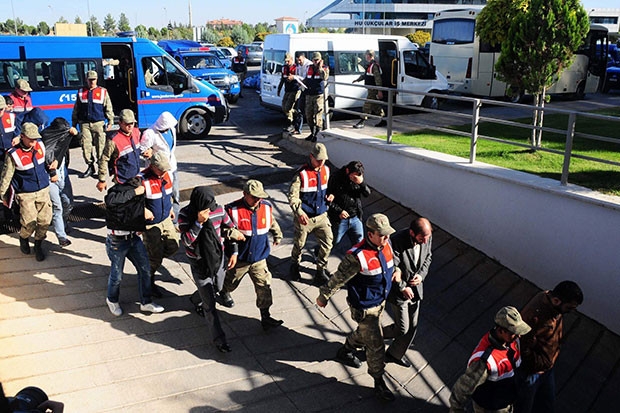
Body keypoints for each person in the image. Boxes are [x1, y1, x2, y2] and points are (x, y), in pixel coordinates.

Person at [316, 213, 402, 402]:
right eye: (382, 235)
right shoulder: (357, 256)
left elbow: (393, 263)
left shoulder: (386, 245)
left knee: (365, 333)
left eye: (387, 234)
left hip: (380, 303)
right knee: (376, 344)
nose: (386, 238)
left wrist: (397, 271)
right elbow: (339, 278)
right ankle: (378, 382)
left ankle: (346, 350)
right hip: (364, 307)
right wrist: (324, 295)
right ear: (370, 234)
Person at [179, 186, 244, 353]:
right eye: (207, 205)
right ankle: (220, 340)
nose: (211, 207)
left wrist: (234, 252)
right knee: (210, 304)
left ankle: (196, 298)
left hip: (218, 258)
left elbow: (231, 230)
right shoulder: (186, 214)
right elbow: (186, 241)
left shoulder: (219, 210)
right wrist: (199, 223)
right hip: (198, 262)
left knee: (218, 287)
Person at [218, 179, 285, 331]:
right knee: (230, 282)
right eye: (254, 197)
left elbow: (272, 222)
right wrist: (231, 232)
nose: (257, 200)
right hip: (239, 259)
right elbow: (219, 229)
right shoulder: (231, 209)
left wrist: (277, 234)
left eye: (260, 197)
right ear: (245, 194)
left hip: (259, 258)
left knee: (264, 287)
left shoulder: (266, 207)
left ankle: (265, 317)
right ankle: (224, 293)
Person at [514, 281, 584, 413]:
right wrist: (535, 364)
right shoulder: (535, 316)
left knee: (546, 406)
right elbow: (522, 344)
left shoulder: (552, 303)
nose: (571, 312)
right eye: (569, 308)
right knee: (523, 408)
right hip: (531, 373)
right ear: (557, 301)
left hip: (546, 368)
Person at [449, 306, 532, 413]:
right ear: (501, 330)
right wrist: (456, 410)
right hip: (491, 407)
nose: (519, 336)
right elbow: (463, 388)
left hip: (505, 399)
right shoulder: (485, 361)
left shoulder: (511, 340)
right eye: (514, 332)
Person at [104, 175, 164, 316]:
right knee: (117, 275)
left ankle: (146, 302)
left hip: (134, 239)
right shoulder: (115, 193)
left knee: (145, 269)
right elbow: (111, 201)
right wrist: (134, 193)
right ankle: (112, 299)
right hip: (117, 241)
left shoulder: (138, 193)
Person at [0, 123, 55, 261]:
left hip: (43, 190)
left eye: (35, 139)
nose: (34, 142)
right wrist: (2, 194)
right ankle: (24, 238)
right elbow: (6, 176)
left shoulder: (40, 146)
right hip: (26, 194)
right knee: (29, 222)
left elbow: (49, 160)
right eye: (31, 139)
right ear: (22, 137)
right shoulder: (13, 154)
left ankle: (38, 244)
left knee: (45, 221)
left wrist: (54, 168)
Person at [383, 217, 433, 368]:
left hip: (416, 290)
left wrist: (421, 276)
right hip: (399, 292)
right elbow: (392, 268)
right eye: (421, 238)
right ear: (412, 233)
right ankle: (370, 336)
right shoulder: (396, 241)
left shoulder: (427, 236)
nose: (425, 241)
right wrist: (403, 287)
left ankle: (395, 354)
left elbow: (428, 257)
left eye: (427, 238)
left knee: (412, 327)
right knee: (402, 328)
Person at [288, 143, 334, 285]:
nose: (321, 162)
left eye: (323, 160)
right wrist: (299, 212)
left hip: (321, 216)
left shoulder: (326, 170)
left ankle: (321, 270)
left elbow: (328, 189)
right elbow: (293, 197)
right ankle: (294, 265)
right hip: (305, 218)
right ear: (311, 157)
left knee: (328, 242)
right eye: (318, 160)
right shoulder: (301, 174)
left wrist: (330, 196)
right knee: (299, 244)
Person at [139, 151, 180, 298]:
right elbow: (132, 202)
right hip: (151, 225)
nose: (163, 173)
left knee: (174, 245)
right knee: (153, 258)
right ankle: (147, 282)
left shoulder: (166, 175)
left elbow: (167, 195)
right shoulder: (141, 179)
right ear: (153, 166)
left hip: (165, 219)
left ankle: (151, 260)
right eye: (161, 170)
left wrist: (169, 209)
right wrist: (142, 211)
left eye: (165, 170)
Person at [41, 118, 79, 247]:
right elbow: (47, 157)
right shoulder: (47, 138)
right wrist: (52, 173)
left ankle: (64, 223)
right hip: (51, 179)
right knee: (57, 207)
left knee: (68, 203)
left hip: (64, 176)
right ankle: (61, 236)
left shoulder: (64, 139)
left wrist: (76, 134)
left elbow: (76, 142)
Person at [71, 70, 114, 178]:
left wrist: (110, 121)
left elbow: (108, 107)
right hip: (84, 124)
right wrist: (74, 123)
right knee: (86, 148)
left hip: (98, 124)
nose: (92, 82)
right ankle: (90, 166)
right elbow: (76, 108)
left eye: (93, 80)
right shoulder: (81, 92)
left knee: (101, 149)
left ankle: (101, 171)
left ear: (97, 79)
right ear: (86, 80)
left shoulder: (103, 91)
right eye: (90, 80)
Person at [139, 111, 180, 224]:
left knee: (175, 193)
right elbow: (142, 150)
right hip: (157, 170)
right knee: (159, 196)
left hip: (171, 166)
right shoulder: (149, 133)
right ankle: (157, 218)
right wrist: (150, 153)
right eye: (164, 129)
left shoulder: (172, 129)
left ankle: (174, 219)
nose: (167, 130)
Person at [326, 160, 371, 252]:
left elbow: (367, 194)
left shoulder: (358, 179)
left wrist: (361, 183)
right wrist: (339, 211)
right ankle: (318, 252)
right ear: (347, 171)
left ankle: (356, 261)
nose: (356, 179)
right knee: (334, 242)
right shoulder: (336, 178)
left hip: (355, 217)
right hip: (340, 219)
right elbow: (328, 199)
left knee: (359, 242)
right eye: (354, 177)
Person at [97, 109, 142, 192]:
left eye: (132, 123)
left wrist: (149, 151)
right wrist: (102, 180)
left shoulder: (137, 132)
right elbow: (104, 159)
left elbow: (141, 148)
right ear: (120, 123)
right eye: (127, 124)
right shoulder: (113, 140)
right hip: (123, 180)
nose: (130, 126)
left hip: (137, 177)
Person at [353, 49, 386, 129]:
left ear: (370, 56)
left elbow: (378, 79)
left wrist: (379, 90)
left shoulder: (374, 66)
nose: (365, 57)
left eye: (367, 55)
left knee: (366, 106)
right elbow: (366, 75)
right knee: (375, 106)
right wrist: (358, 80)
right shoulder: (369, 65)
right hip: (370, 89)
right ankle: (384, 120)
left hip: (373, 89)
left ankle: (362, 121)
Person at [303, 52, 329, 142]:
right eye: (314, 60)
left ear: (320, 60)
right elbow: (307, 78)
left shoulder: (324, 68)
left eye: (317, 60)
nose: (315, 62)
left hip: (318, 95)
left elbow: (324, 77)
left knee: (318, 114)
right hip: (309, 94)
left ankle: (317, 133)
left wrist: (320, 68)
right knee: (308, 115)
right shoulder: (309, 67)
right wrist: (301, 83)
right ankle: (312, 132)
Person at [277, 53, 301, 134]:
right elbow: (282, 79)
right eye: (286, 61)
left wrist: (293, 77)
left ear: (292, 59)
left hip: (295, 90)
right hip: (287, 90)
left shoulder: (296, 67)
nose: (287, 63)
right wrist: (279, 89)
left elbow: (300, 78)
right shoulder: (284, 68)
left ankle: (291, 123)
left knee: (288, 107)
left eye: (288, 61)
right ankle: (294, 114)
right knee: (284, 107)